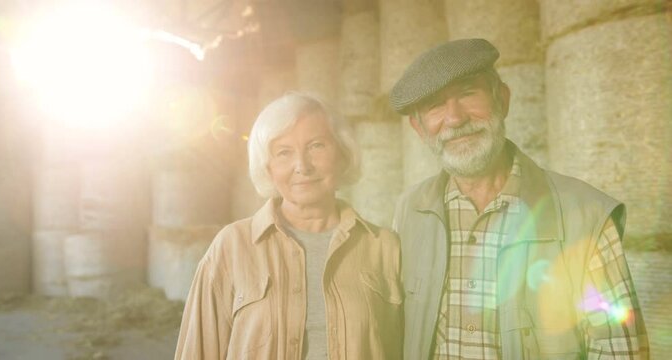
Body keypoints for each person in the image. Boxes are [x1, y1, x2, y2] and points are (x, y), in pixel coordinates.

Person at [390, 38, 648, 359]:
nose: (454, 118)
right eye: (435, 106)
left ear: (503, 99)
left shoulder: (585, 214)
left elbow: (619, 350)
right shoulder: (409, 212)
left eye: (469, 93)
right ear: (418, 127)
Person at [175, 92, 403, 359]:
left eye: (316, 146)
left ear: (342, 154)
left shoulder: (385, 248)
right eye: (284, 152)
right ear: (268, 167)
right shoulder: (232, 246)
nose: (302, 166)